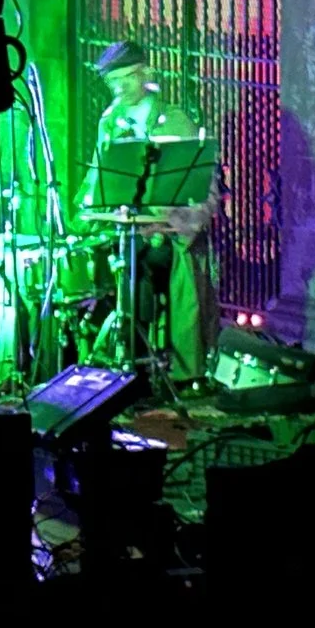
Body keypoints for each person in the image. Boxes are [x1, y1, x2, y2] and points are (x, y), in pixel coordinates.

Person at [79, 41, 217, 387]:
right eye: (113, 82)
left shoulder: (174, 120)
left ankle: (136, 365)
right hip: (125, 229)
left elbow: (198, 188)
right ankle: (92, 354)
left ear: (145, 74)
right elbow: (98, 179)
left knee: (136, 266)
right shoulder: (110, 121)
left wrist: (168, 220)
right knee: (93, 260)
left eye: (126, 78)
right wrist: (82, 212)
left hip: (166, 234)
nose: (120, 88)